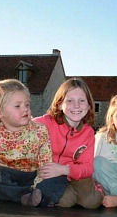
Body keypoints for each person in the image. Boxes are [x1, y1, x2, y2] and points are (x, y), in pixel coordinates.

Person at [0, 79, 67, 207]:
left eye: (27, 104)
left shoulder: (39, 130)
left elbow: (45, 162)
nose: (25, 109)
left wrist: (39, 184)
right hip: (5, 179)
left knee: (58, 176)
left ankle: (36, 195)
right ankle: (25, 196)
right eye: (18, 106)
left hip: (32, 177)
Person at [33, 77, 103, 209]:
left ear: (88, 105)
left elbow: (87, 168)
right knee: (65, 202)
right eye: (69, 101)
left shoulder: (88, 133)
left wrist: (65, 170)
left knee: (92, 202)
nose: (76, 106)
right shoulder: (46, 122)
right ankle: (70, 194)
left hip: (75, 174)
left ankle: (98, 188)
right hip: (52, 177)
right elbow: (18, 123)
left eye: (81, 101)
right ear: (60, 104)